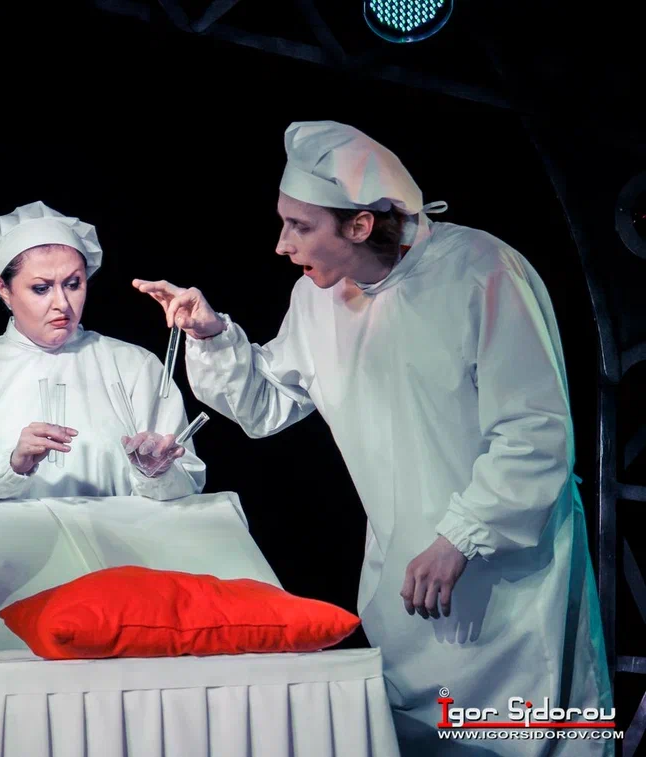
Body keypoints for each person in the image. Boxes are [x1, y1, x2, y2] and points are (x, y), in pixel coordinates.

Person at [134, 121, 612, 755]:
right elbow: (268, 405)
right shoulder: (317, 300)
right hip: (405, 584)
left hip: (510, 583)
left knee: (520, 737)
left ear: (360, 225)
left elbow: (533, 431)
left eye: (300, 226)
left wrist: (461, 536)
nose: (281, 245)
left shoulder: (481, 272)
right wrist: (211, 334)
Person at [0, 201, 205, 503]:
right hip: (6, 536)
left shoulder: (134, 366)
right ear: (4, 288)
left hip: (113, 535)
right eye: (41, 288)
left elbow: (188, 485)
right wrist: (10, 466)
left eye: (73, 284)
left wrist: (157, 473)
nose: (61, 303)